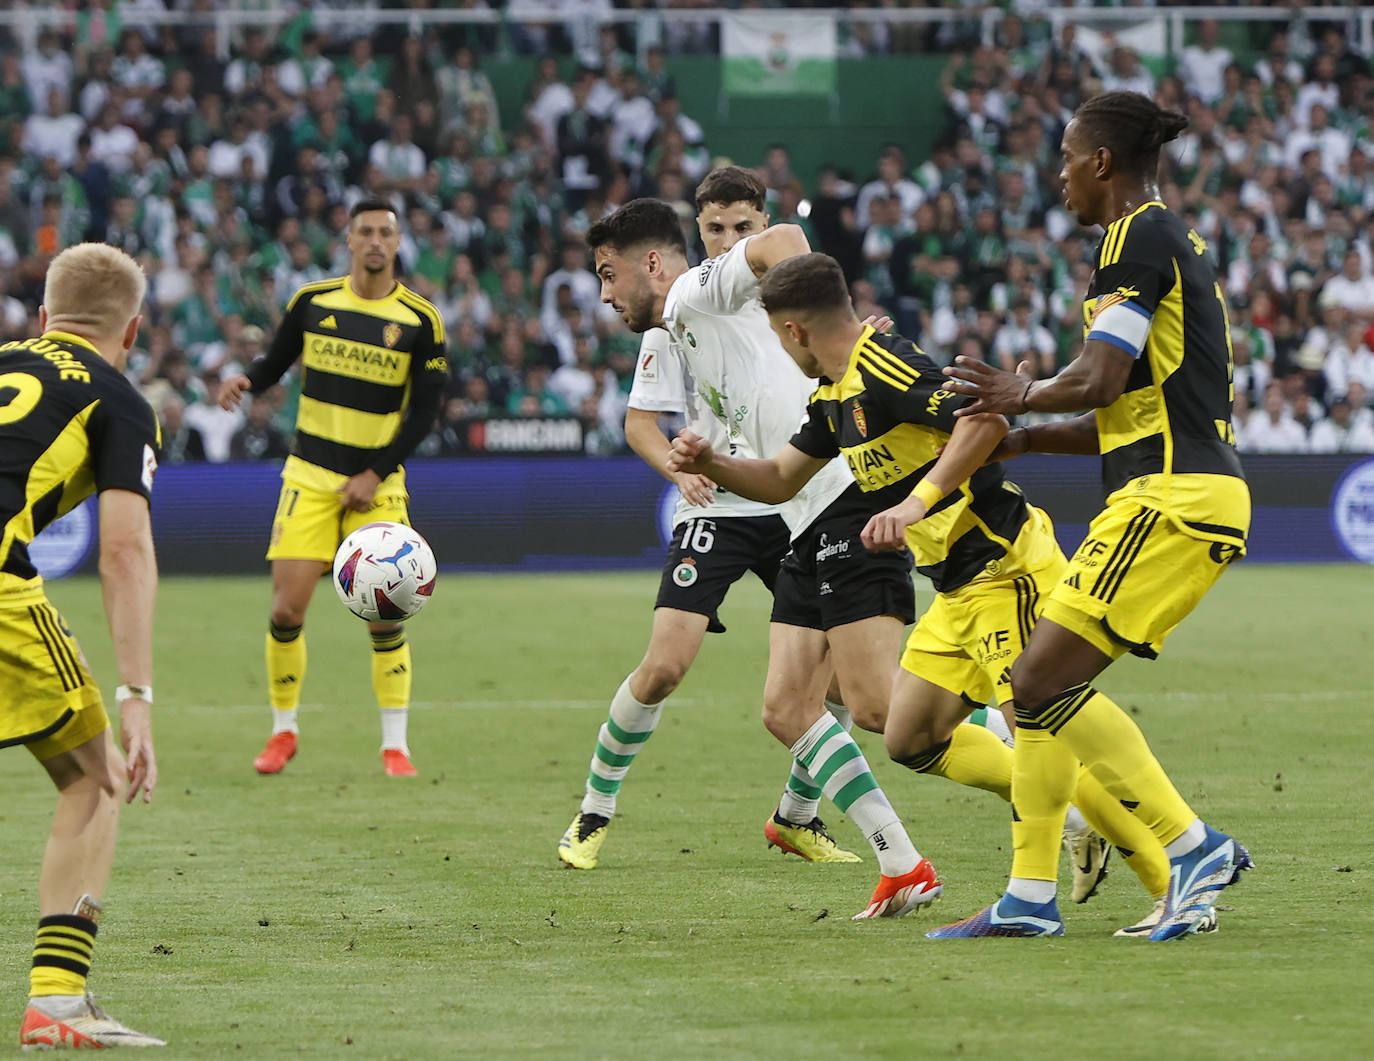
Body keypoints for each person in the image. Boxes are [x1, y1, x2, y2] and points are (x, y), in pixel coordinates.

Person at [668, 251, 1178, 933]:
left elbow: (987, 418)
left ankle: (1167, 878)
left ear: (794, 331)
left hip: (1004, 565)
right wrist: (712, 463)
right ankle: (1083, 821)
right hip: (956, 589)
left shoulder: (888, 365)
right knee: (906, 733)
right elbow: (782, 478)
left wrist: (916, 503)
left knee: (1043, 723)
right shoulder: (834, 395)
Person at [932, 91, 1253, 941]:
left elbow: (1101, 377)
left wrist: (1019, 392)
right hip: (1178, 489)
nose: (1061, 177)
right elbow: (1123, 410)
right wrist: (1025, 439)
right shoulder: (1167, 238)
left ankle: (1195, 847)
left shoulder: (1134, 235)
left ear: (1101, 162)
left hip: (1170, 497)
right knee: (1032, 691)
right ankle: (1031, 898)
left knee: (1037, 681)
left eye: (1067, 158)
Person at [585, 196, 941, 920]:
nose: (602, 294)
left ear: (652, 263)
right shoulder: (676, 332)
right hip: (796, 503)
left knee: (874, 702)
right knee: (787, 705)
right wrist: (701, 460)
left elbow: (782, 240)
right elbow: (773, 469)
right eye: (712, 224)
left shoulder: (694, 288)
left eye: (607, 275)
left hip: (840, 500)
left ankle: (1046, 764)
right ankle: (896, 861)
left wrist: (842, 329)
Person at [558, 168, 863, 873]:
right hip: (725, 502)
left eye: (741, 228)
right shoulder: (677, 310)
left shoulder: (780, 307)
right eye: (715, 229)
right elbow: (640, 422)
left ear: (762, 226)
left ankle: (799, 815)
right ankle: (595, 808)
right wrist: (679, 466)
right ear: (698, 234)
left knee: (844, 677)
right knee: (666, 662)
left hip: (792, 497)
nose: (728, 239)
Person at [217, 199, 450, 778]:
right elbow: (277, 362)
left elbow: (425, 416)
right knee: (286, 609)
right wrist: (248, 379)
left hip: (378, 484)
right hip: (309, 476)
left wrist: (373, 473)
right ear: (349, 239)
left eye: (385, 233)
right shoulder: (312, 302)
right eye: (365, 231)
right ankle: (283, 733)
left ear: (397, 244)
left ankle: (395, 746)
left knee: (385, 615)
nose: (375, 241)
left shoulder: (421, 320)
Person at [2, 243, 164, 1048]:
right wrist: (137, 697)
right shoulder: (119, 397)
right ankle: (58, 1003)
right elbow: (125, 551)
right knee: (97, 777)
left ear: (41, 318)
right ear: (131, 330)